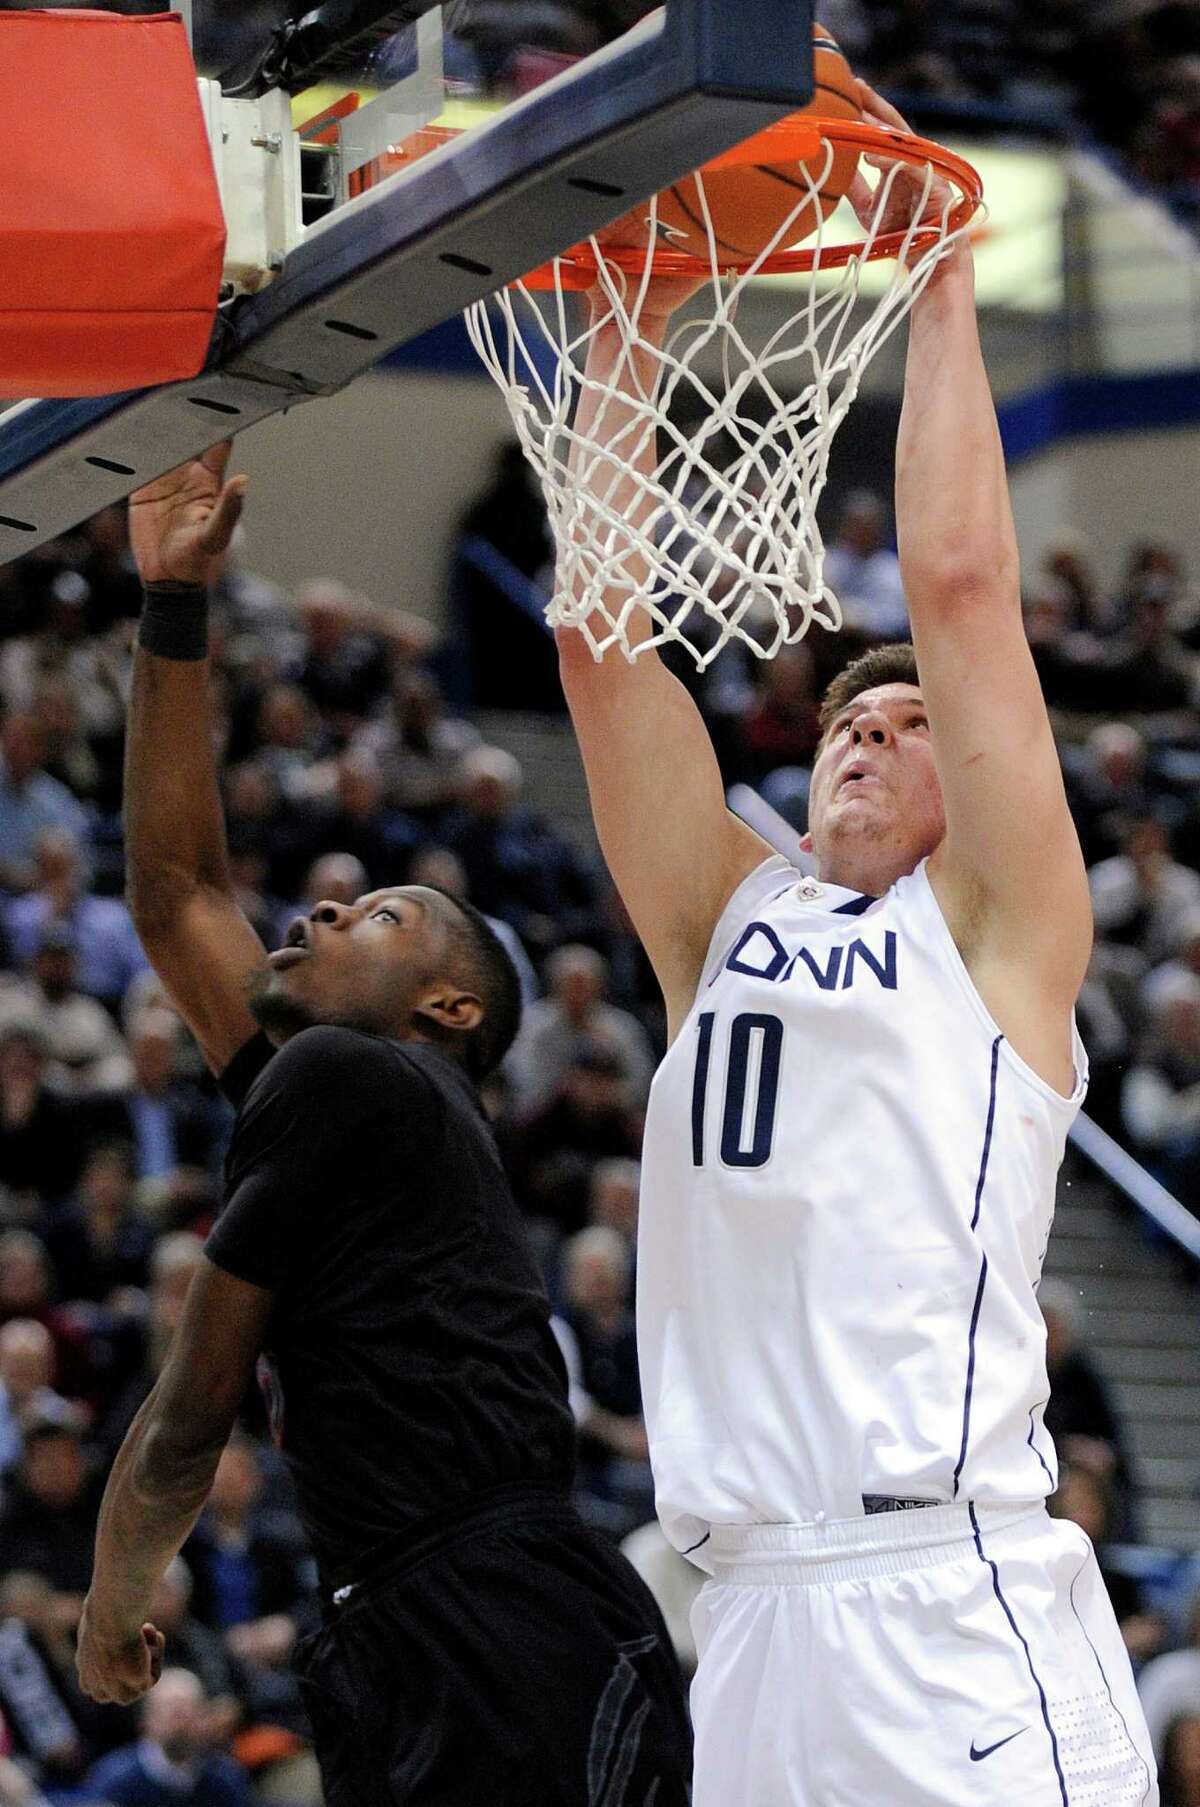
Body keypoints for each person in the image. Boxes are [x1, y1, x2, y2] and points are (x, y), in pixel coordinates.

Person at [554, 78, 1157, 1807]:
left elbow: (961, 586)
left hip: (947, 1593)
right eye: (840, 725)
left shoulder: (998, 931)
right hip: (745, 1620)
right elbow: (604, 647)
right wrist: (639, 317)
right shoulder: (715, 915)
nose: (862, 736)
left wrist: (941, 273)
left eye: (903, 731)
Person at [74, 445, 691, 1807]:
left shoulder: (356, 1082)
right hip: (433, 1617)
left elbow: (195, 1402)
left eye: (379, 916)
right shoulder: (361, 1105)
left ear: (452, 1009)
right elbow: (177, 892)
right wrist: (173, 603)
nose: (323, 911)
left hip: (498, 1622)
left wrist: (114, 1588)